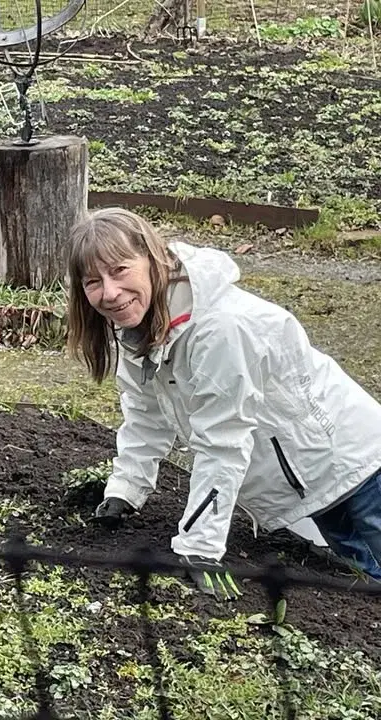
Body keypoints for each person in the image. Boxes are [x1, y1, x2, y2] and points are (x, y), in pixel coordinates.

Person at [66, 207, 381, 599]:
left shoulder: (220, 330)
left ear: (154, 259)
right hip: (310, 477)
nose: (109, 293)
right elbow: (146, 411)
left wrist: (200, 549)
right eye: (93, 281)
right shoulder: (143, 327)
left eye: (120, 270)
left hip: (354, 469)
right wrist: (125, 489)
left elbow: (224, 442)